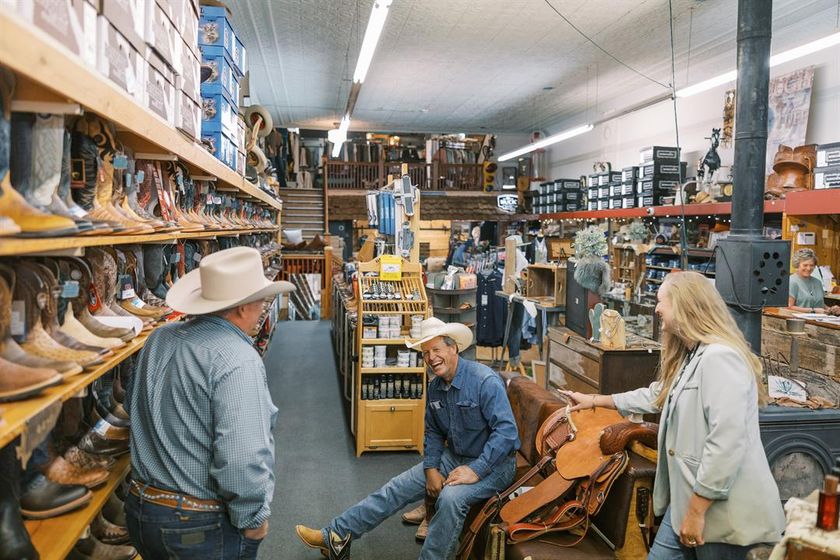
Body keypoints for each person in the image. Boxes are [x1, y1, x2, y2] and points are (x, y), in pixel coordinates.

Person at [562, 271, 784, 560]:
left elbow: (727, 442)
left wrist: (697, 511)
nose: (656, 309)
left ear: (684, 305)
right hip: (686, 502)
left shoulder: (720, 358)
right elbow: (658, 394)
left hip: (719, 512)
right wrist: (596, 400)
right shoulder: (695, 355)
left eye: (660, 301)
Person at [295, 317, 520, 559]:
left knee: (451, 498)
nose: (431, 358)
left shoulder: (484, 381)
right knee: (396, 488)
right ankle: (336, 535)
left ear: (453, 347)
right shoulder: (435, 387)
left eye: (436, 350)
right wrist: (432, 467)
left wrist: (476, 469)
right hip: (454, 457)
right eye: (425, 353)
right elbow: (433, 431)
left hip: (495, 465)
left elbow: (507, 432)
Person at [125, 247, 294, 559]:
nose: (262, 309)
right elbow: (241, 457)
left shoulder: (159, 339)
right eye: (260, 300)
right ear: (243, 308)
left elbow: (134, 409)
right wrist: (253, 518)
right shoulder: (237, 358)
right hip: (196, 524)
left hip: (140, 509)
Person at [787, 248, 840, 314]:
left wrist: (831, 309)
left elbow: (821, 305)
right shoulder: (791, 281)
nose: (808, 268)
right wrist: (813, 310)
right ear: (797, 265)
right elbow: (789, 307)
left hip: (819, 320)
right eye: (805, 265)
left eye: (811, 265)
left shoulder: (817, 282)